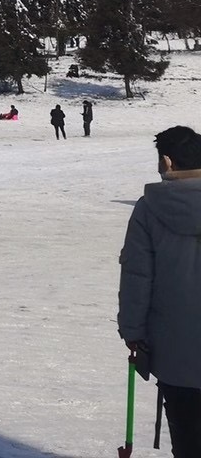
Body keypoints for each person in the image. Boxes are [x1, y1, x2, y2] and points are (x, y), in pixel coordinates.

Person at [118, 125, 201, 456]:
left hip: (175, 352)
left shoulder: (149, 208)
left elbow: (138, 276)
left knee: (188, 440)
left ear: (167, 162)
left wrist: (133, 332)